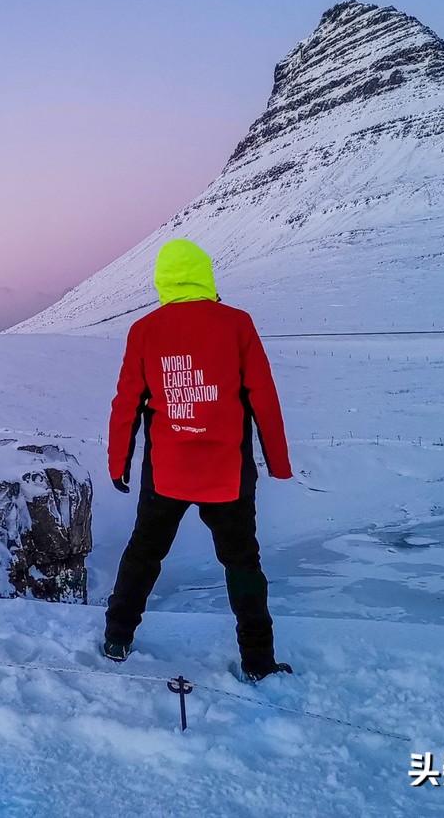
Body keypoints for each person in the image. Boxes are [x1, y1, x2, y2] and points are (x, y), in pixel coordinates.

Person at [102, 238, 294, 682]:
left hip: (166, 473)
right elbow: (263, 398)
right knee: (243, 564)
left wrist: (119, 463)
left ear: (163, 281)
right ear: (206, 274)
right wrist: (278, 462)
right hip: (228, 474)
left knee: (144, 554)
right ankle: (259, 662)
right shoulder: (237, 324)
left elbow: (126, 403)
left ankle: (117, 636)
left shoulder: (145, 329)